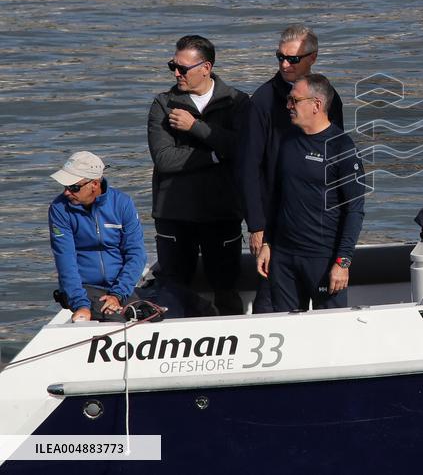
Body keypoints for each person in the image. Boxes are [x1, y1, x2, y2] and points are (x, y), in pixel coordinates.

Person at [239, 24, 345, 312]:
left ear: (313, 58)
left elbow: (338, 162)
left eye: (293, 59)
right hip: (277, 220)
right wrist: (257, 226)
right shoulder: (261, 101)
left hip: (318, 223)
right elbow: (248, 167)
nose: (285, 64)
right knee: (271, 304)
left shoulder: (329, 98)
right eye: (280, 57)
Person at [147, 35, 249, 317]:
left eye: (182, 68)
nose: (176, 73)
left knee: (226, 289)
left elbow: (242, 148)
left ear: (206, 67)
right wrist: (215, 155)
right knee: (174, 289)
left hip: (222, 214)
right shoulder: (164, 104)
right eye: (172, 66)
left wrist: (196, 128)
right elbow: (165, 160)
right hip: (175, 215)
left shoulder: (236, 102)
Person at [255, 74, 365, 311]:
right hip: (284, 257)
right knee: (285, 328)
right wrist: (268, 243)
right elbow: (276, 197)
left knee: (332, 331)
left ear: (316, 105)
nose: (288, 106)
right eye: (288, 99)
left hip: (323, 259)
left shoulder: (341, 147)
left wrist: (343, 262)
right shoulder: (288, 141)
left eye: (294, 100)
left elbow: (354, 211)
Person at [48, 152, 146, 322]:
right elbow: (65, 261)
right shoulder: (59, 209)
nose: (66, 193)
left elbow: (136, 254)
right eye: (65, 186)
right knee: (116, 318)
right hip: (84, 287)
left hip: (119, 285)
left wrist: (118, 294)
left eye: (73, 187)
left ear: (94, 184)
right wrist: (81, 305)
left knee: (152, 313)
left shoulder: (122, 203)